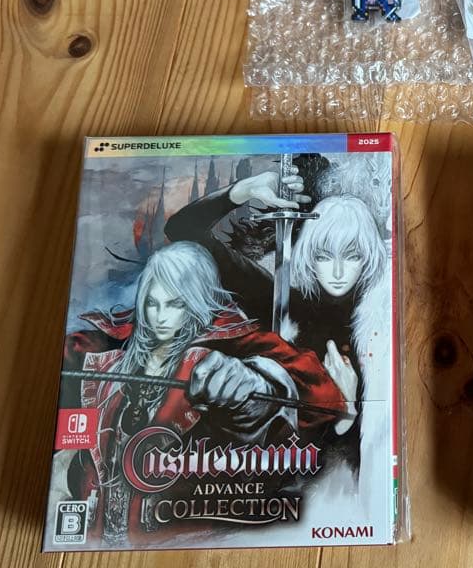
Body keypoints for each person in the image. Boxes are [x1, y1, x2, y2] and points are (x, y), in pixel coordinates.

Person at [58, 241, 346, 545]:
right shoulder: (109, 356)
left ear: (196, 302)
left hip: (176, 533)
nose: (160, 317)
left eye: (175, 305)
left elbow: (301, 386)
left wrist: (253, 384)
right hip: (98, 528)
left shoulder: (220, 350)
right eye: (152, 304)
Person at [165, 168, 392, 497]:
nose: (338, 271)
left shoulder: (379, 322)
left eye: (352, 255)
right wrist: (244, 190)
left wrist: (347, 414)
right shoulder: (282, 301)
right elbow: (182, 229)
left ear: (368, 257)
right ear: (310, 256)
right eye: (324, 256)